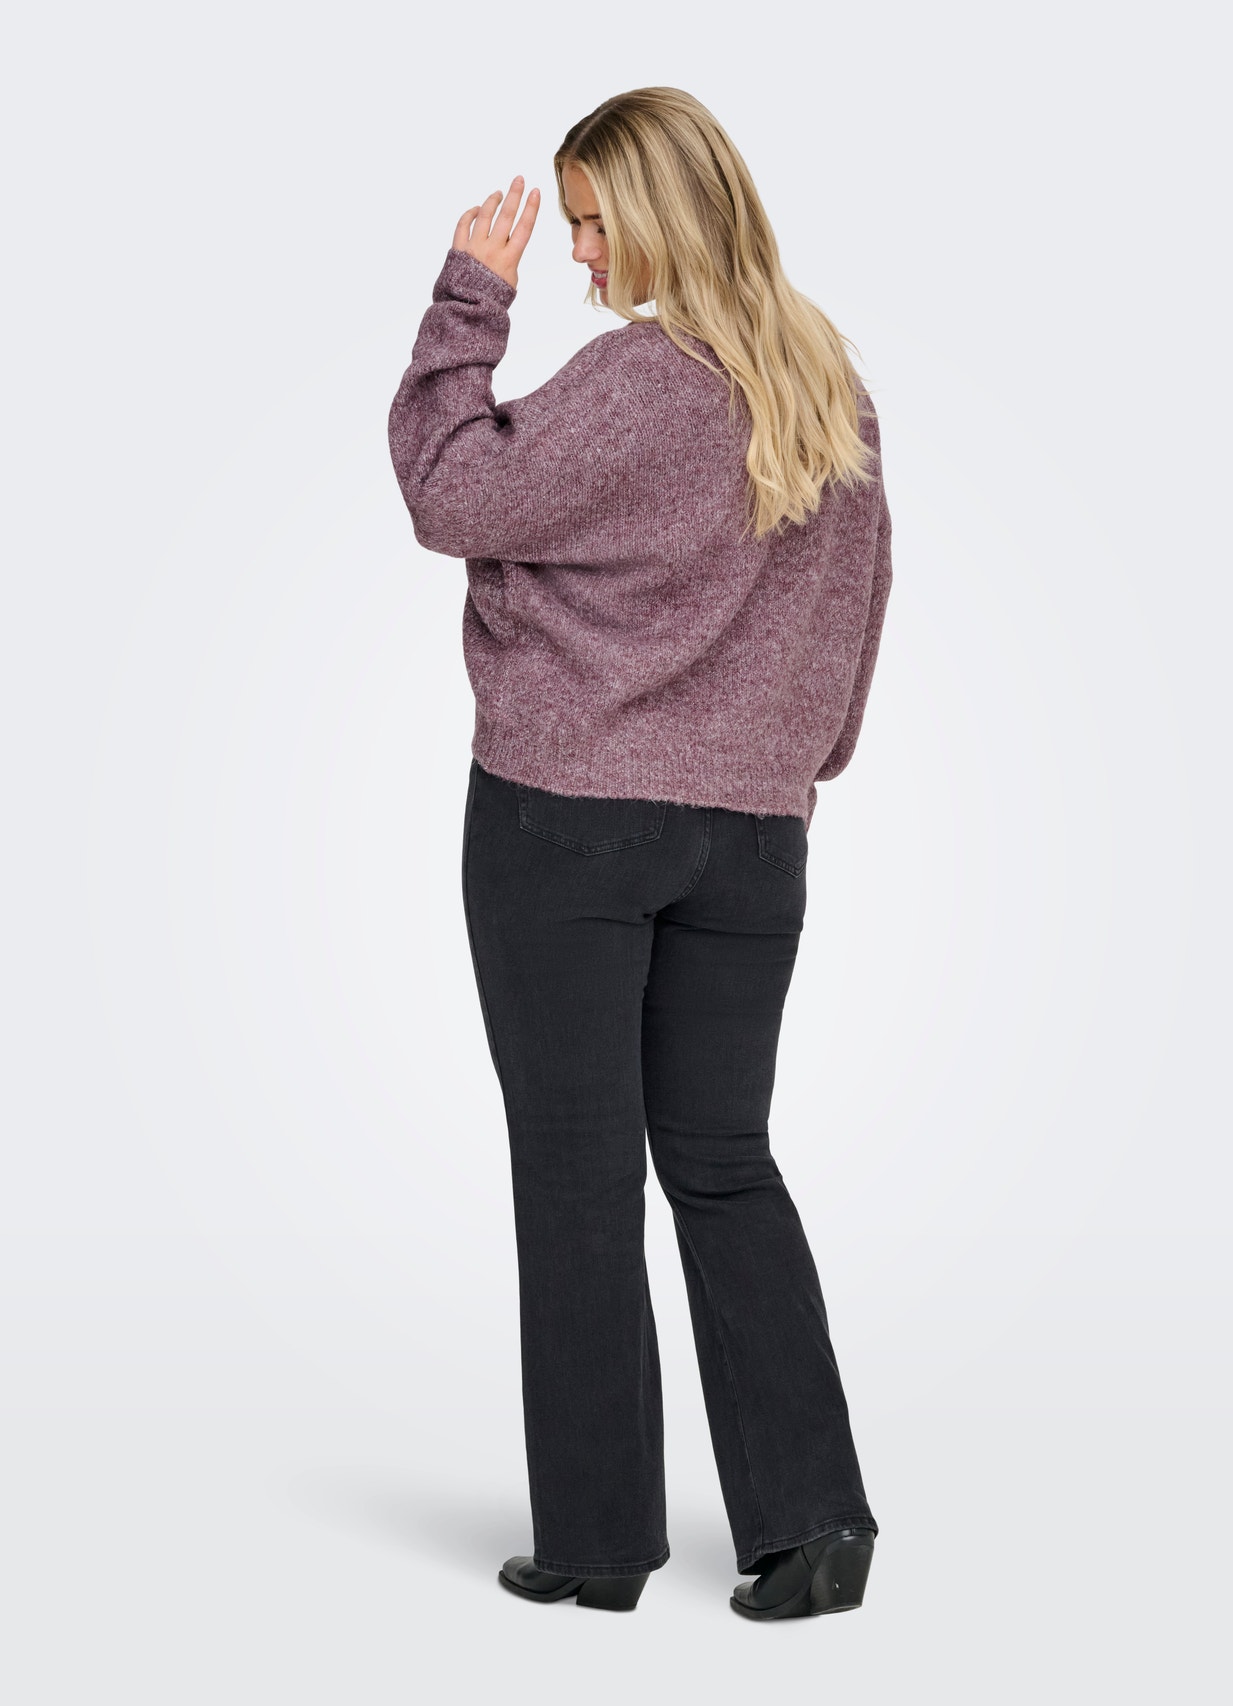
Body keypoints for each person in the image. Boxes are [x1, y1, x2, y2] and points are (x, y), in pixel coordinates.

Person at [387, 86, 892, 1621]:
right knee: (725, 1162)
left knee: (582, 1174)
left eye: (595, 224)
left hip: (568, 822)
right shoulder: (829, 388)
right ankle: (814, 1524)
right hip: (754, 841)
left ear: (666, 214)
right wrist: (779, 772)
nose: (582, 256)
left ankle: (600, 1540)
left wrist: (469, 298)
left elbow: (449, 490)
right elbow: (856, 623)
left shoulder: (637, 381)